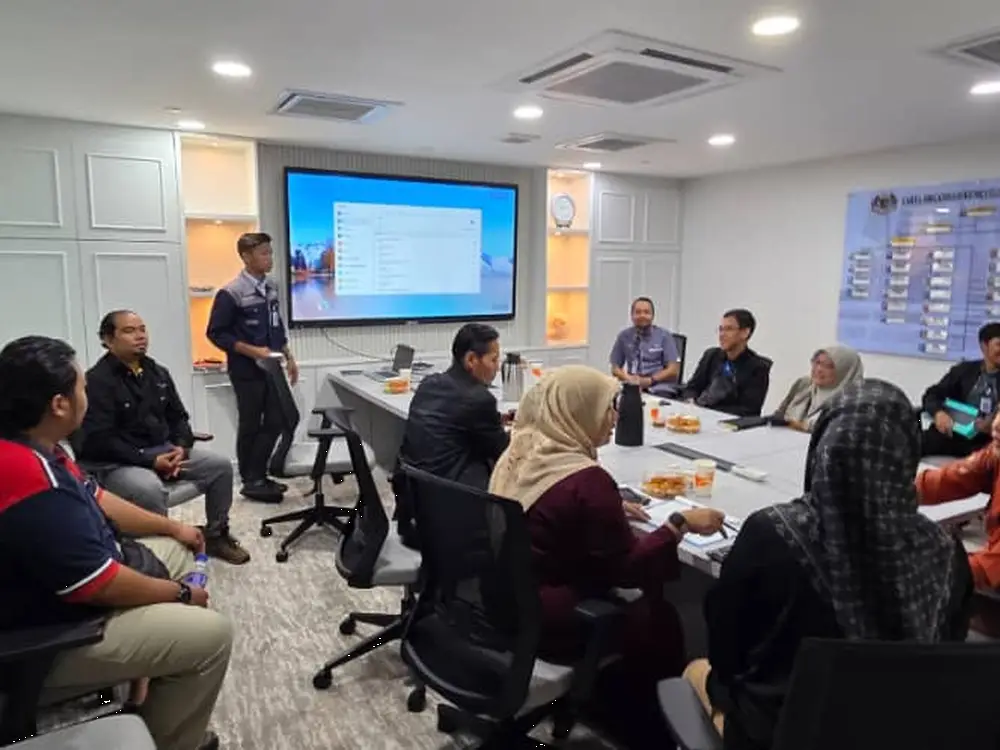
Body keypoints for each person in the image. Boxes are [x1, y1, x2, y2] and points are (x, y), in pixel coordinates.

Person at [684, 380, 971, 750]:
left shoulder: (772, 533)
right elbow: (948, 656)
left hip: (781, 734)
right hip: (903, 731)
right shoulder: (947, 552)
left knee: (695, 669)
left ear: (822, 449)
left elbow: (726, 650)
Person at [0, 335, 232, 750]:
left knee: (178, 551)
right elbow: (97, 584)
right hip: (51, 635)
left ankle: (149, 682)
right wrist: (180, 594)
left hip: (83, 583)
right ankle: (169, 741)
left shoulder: (38, 446)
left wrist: (172, 528)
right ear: (59, 404)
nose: (85, 395)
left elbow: (98, 497)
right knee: (211, 635)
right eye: (80, 388)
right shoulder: (30, 477)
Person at [489, 365, 724, 749]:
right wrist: (679, 523)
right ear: (577, 411)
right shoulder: (587, 480)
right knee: (659, 617)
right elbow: (629, 569)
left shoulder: (522, 451)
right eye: (606, 407)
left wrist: (611, 505)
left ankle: (600, 699)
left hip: (502, 599)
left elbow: (554, 510)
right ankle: (652, 732)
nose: (615, 416)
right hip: (549, 619)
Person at [77, 310, 249, 565]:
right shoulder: (96, 381)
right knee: (149, 489)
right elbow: (100, 440)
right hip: (119, 463)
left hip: (163, 451)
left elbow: (179, 418)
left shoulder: (157, 373)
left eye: (142, 329)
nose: (140, 336)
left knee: (220, 467)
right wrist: (150, 461)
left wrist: (180, 448)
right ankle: (162, 552)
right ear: (108, 340)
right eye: (129, 331)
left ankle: (215, 535)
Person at [394, 323, 510, 546]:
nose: (497, 367)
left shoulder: (429, 384)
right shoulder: (479, 399)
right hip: (453, 524)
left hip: (415, 514)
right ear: (471, 360)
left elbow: (459, 424)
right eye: (494, 360)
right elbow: (504, 451)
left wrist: (494, 421)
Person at [207, 232, 298, 502]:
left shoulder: (271, 287)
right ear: (246, 257)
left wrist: (288, 356)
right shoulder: (231, 292)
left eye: (270, 252)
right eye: (263, 253)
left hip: (272, 367)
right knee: (251, 424)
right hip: (246, 370)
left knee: (278, 419)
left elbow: (276, 326)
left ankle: (259, 473)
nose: (269, 258)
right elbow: (216, 333)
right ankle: (251, 479)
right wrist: (251, 351)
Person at [916, 411, 1000, 590]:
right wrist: (896, 491)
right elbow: (957, 476)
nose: (996, 424)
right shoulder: (996, 453)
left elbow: (988, 568)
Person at [920, 321, 1000, 458]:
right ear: (984, 346)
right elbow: (932, 395)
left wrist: (993, 425)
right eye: (999, 344)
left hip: (989, 442)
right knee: (909, 445)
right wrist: (939, 413)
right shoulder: (964, 371)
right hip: (954, 433)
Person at [682, 309, 771, 416]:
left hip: (726, 421)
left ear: (745, 333)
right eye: (721, 329)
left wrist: (707, 410)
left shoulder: (758, 368)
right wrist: (690, 401)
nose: (722, 335)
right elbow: (692, 388)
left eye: (729, 329)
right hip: (697, 414)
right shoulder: (711, 355)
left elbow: (749, 410)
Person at [773, 345, 863, 432]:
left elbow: (829, 430)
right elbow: (778, 416)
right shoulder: (804, 385)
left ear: (845, 372)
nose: (819, 369)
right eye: (817, 362)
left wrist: (791, 424)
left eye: (828, 366)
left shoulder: (851, 402)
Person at [609, 296, 681, 396]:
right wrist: (628, 379)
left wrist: (650, 380)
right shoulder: (624, 336)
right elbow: (615, 368)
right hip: (632, 385)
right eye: (638, 312)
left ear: (652, 316)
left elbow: (673, 370)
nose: (642, 315)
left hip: (659, 387)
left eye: (646, 312)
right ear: (632, 316)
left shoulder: (664, 336)